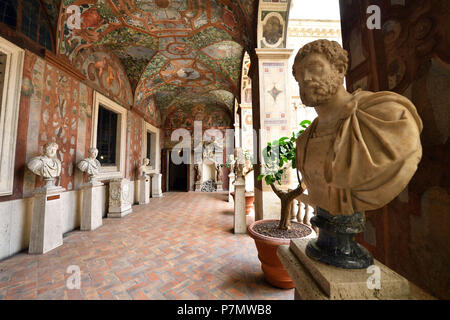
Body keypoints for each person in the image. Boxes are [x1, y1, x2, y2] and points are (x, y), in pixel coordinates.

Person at [293, 39, 423, 216]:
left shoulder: (388, 116)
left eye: (314, 68)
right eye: (300, 74)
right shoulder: (303, 142)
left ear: (339, 70)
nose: (306, 78)